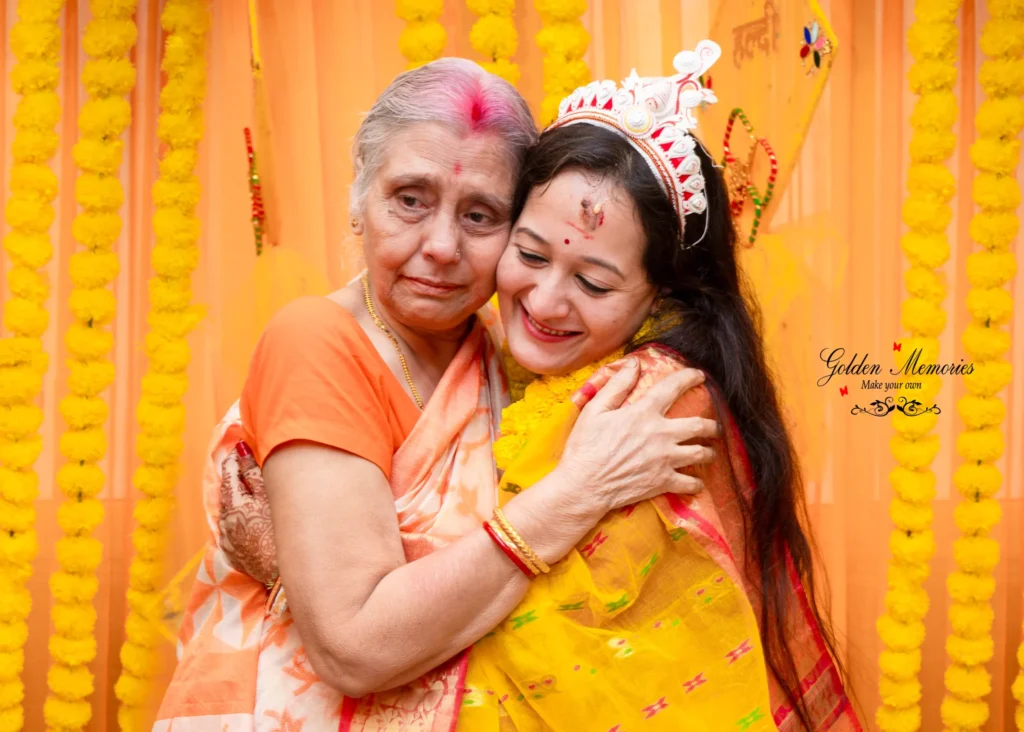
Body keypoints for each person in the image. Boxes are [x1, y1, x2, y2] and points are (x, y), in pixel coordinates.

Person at [199, 42, 861, 731]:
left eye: (481, 215)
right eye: (409, 200)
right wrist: (309, 586)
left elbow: (561, 663)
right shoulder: (322, 340)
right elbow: (358, 645)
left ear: (657, 295)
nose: (443, 247)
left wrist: (300, 575)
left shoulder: (606, 394)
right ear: (359, 196)